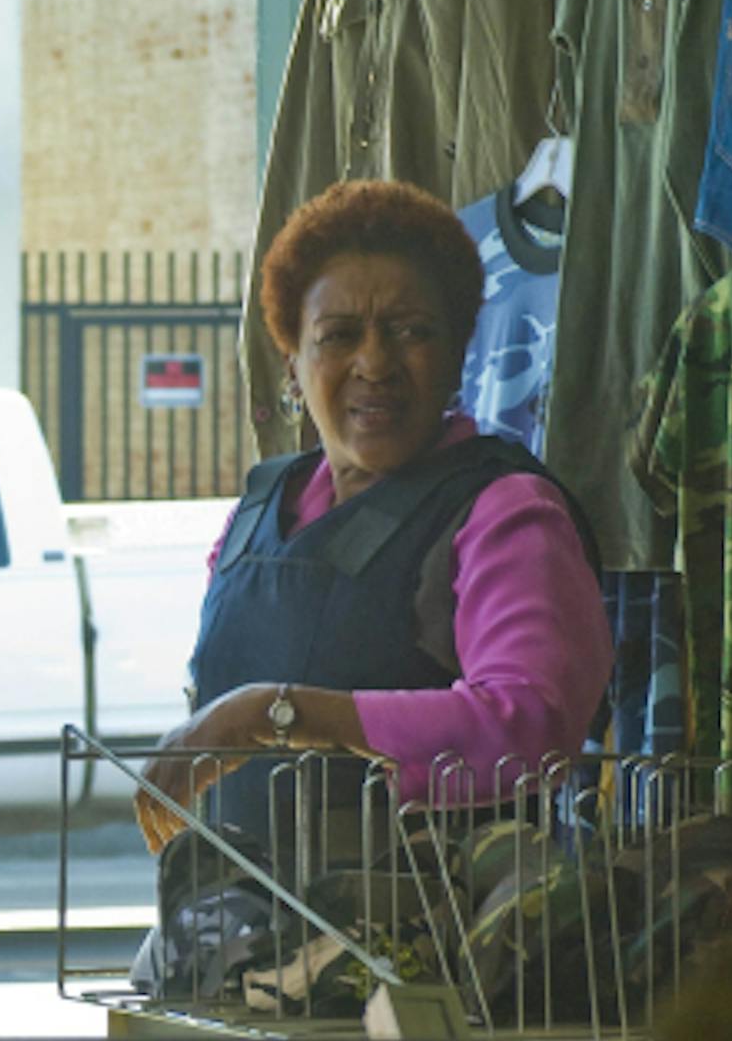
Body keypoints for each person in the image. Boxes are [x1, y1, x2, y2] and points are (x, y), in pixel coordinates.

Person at [134, 180, 613, 856]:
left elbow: (531, 724)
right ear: (292, 364)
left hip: (432, 944)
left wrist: (271, 714)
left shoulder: (505, 510)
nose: (375, 363)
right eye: (339, 336)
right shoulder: (258, 512)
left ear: (456, 356)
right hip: (242, 932)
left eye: (411, 331)